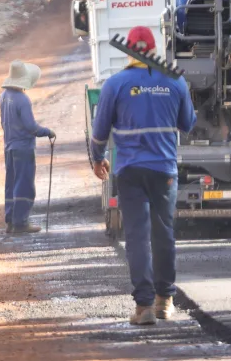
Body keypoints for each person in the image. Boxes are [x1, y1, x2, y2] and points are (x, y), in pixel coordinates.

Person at [90, 26, 197, 326]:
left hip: (130, 171)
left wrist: (97, 159)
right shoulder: (175, 81)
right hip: (164, 170)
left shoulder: (116, 84)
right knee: (164, 233)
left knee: (137, 237)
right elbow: (188, 123)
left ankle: (144, 307)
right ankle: (165, 301)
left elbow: (99, 132)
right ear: (153, 49)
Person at [0, 60, 55, 234]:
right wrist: (47, 131)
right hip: (23, 148)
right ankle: (21, 222)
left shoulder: (4, 96)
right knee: (24, 185)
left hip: (9, 146)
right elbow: (31, 127)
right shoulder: (22, 99)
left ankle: (10, 221)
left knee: (11, 184)